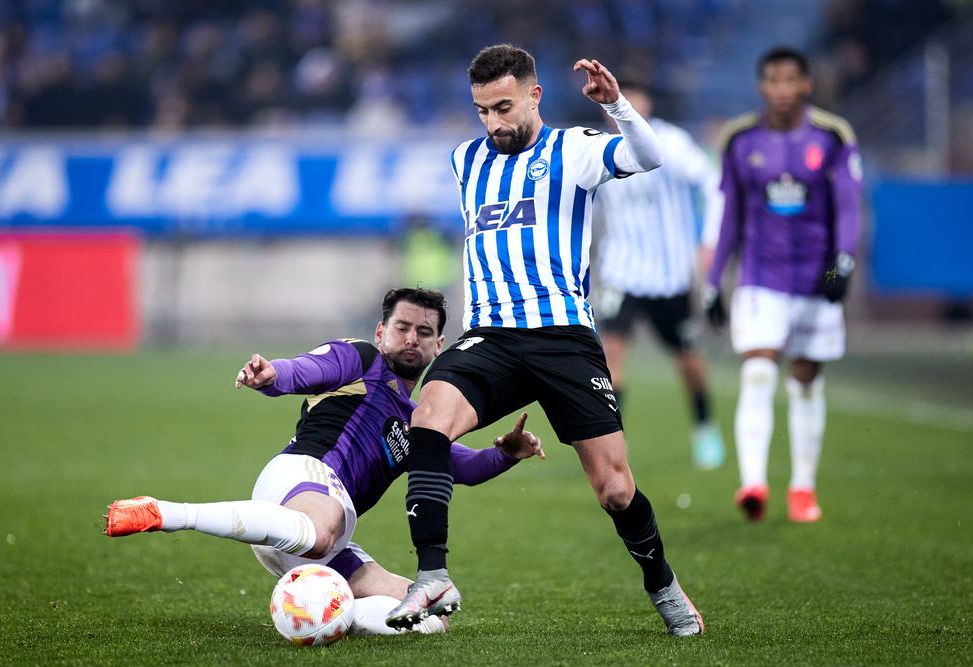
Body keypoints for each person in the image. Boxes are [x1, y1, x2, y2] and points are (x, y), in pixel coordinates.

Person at [387, 44, 704, 637]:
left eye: (503, 107)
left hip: (563, 338)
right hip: (490, 337)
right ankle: (432, 575)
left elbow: (650, 157)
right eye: (482, 111)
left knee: (614, 489)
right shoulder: (465, 159)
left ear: (534, 94)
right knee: (426, 419)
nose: (493, 123)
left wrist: (619, 109)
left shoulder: (576, 149)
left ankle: (660, 580)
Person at [103, 287, 545, 636]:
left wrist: (505, 453)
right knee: (318, 533)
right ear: (380, 332)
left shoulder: (418, 420)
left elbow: (460, 466)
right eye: (402, 327)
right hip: (300, 481)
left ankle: (332, 618)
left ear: (439, 345)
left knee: (430, 614)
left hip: (319, 542)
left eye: (424, 333)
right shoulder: (362, 359)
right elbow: (307, 369)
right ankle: (165, 512)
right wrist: (271, 374)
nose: (412, 339)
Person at [703, 47, 862, 523]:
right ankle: (753, 483)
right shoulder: (739, 139)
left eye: (791, 80)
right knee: (757, 372)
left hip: (817, 281)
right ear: (762, 87)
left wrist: (841, 270)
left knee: (807, 383)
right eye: (774, 80)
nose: (783, 89)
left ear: (806, 84)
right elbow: (730, 213)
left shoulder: (834, 136)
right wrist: (714, 282)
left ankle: (802, 488)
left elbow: (848, 211)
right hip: (760, 279)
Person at [591, 79, 727, 470]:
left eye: (636, 95)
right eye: (620, 97)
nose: (627, 104)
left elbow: (714, 184)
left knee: (687, 359)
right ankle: (615, 443)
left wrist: (709, 241)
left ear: (648, 100)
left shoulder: (672, 141)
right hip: (620, 272)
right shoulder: (599, 146)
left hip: (669, 276)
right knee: (611, 357)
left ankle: (704, 426)